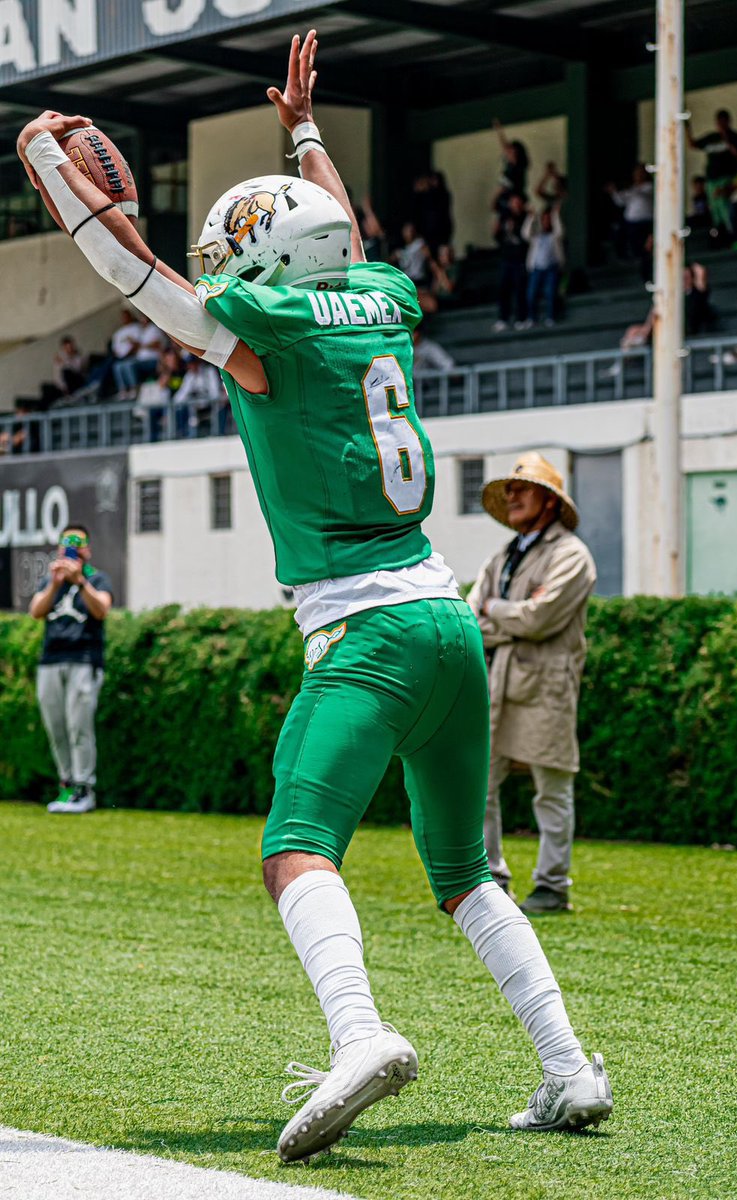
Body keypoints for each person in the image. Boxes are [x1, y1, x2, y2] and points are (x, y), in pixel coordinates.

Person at [17, 32, 612, 1163]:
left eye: (240, 251)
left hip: (367, 629)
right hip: (442, 619)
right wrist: (303, 131)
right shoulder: (381, 294)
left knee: (295, 846)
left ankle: (358, 1036)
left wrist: (62, 185)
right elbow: (338, 228)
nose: (227, 267)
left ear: (269, 259)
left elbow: (143, 282)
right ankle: (569, 1070)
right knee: (464, 876)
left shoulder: (272, 331)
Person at [468, 454, 596, 913]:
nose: (512, 496)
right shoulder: (501, 556)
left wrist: (495, 611)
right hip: (495, 681)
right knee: (479, 784)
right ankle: (489, 882)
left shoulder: (571, 555)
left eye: (523, 489)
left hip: (546, 688)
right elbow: (469, 616)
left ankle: (551, 886)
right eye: (510, 490)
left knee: (553, 787)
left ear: (549, 501)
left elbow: (540, 619)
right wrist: (511, 615)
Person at [29, 525, 113, 814]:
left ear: (87, 549)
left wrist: (79, 582)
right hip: (51, 660)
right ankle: (66, 785)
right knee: (56, 726)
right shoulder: (52, 581)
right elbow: (36, 611)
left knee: (79, 725)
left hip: (84, 659)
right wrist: (55, 582)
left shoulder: (97, 579)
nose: (73, 548)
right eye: (68, 543)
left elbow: (102, 609)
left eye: (78, 543)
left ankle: (83, 788)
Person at [686, 109, 737, 241]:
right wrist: (686, 126)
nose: (721, 124)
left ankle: (734, 235)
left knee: (725, 206)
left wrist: (726, 139)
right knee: (715, 209)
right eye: (719, 122)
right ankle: (721, 235)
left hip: (728, 177)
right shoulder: (712, 138)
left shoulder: (735, 137)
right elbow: (693, 144)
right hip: (712, 179)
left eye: (724, 121)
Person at [521, 203, 565, 327]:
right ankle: (532, 318)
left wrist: (555, 215)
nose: (546, 222)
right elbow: (525, 234)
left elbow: (560, 230)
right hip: (536, 269)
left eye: (548, 220)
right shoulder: (536, 236)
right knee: (531, 294)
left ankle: (550, 317)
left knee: (550, 293)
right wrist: (531, 217)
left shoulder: (554, 236)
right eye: (544, 219)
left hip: (551, 268)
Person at [493, 192, 528, 332]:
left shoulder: (525, 217)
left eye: (518, 201)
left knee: (520, 288)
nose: (515, 204)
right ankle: (503, 318)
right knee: (503, 288)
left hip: (520, 259)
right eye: (513, 202)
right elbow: (497, 236)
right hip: (506, 258)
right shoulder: (504, 217)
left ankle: (521, 318)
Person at [606, 165, 654, 262]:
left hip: (645, 222)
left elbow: (642, 195)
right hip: (631, 222)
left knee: (645, 247)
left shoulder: (650, 187)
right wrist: (614, 192)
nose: (638, 176)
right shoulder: (632, 188)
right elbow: (620, 201)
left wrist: (632, 191)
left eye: (640, 173)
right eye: (636, 174)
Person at [110, 308, 141, 398]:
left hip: (134, 356)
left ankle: (134, 388)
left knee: (128, 364)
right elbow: (115, 349)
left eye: (126, 316)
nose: (124, 318)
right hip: (121, 358)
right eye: (123, 317)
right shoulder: (118, 333)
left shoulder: (136, 328)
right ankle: (123, 390)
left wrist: (128, 354)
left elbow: (137, 344)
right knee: (117, 366)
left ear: (130, 316)